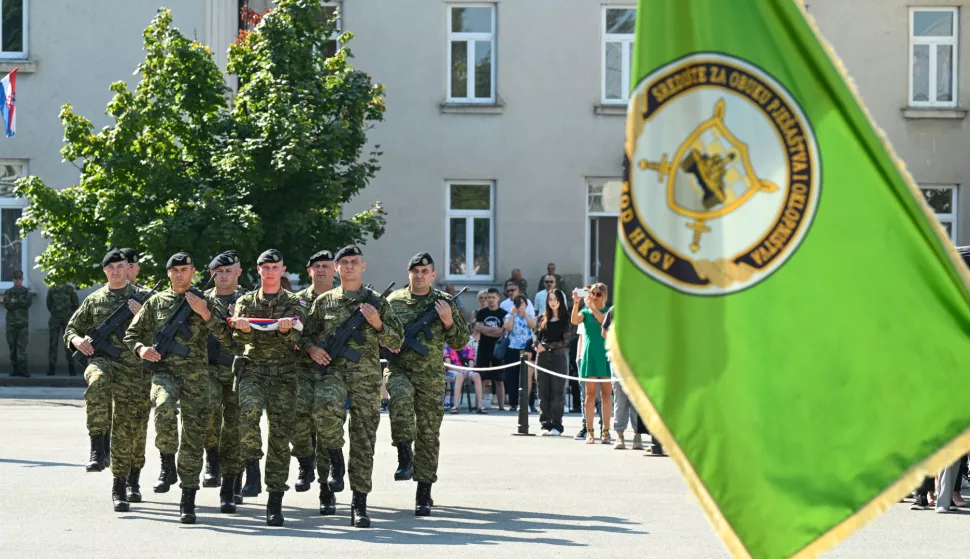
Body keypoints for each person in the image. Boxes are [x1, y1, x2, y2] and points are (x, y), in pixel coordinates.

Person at [301, 245, 403, 527]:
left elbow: (396, 341)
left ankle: (359, 504)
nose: (348, 267)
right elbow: (306, 336)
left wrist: (378, 323)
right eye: (343, 262)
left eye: (353, 262)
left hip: (366, 380)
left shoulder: (376, 302)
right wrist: (312, 350)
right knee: (323, 411)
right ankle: (335, 460)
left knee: (364, 441)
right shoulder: (324, 302)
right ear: (336, 268)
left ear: (363, 266)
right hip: (332, 374)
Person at [124, 251, 230, 524]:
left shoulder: (204, 300)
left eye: (185, 269)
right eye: (176, 270)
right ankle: (167, 463)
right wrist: (141, 349)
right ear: (168, 273)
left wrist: (204, 313)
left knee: (194, 436)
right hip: (164, 372)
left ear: (193, 271)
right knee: (163, 407)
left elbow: (228, 337)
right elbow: (132, 334)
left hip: (197, 376)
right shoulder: (156, 303)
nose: (180, 274)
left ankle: (188, 499)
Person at [385, 253, 469, 516]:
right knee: (399, 401)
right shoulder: (394, 301)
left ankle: (424, 492)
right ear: (408, 273)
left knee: (429, 435)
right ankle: (403, 455)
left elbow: (461, 341)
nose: (419, 275)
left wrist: (448, 321)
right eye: (415, 271)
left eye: (425, 271)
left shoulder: (443, 302)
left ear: (433, 274)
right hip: (400, 370)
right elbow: (377, 334)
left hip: (431, 377)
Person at [66, 249, 149, 511]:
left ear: (129, 269)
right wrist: (76, 340)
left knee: (130, 428)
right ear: (105, 271)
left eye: (120, 266)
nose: (116, 271)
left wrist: (142, 316)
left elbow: (164, 332)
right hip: (103, 361)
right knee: (97, 382)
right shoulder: (94, 300)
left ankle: (128, 480)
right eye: (110, 267)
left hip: (135, 369)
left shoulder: (144, 298)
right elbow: (71, 328)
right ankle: (98, 448)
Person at [231, 248, 307, 526]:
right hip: (253, 370)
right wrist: (243, 329)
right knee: (248, 411)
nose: (271, 271)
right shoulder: (246, 301)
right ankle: (251, 468)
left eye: (275, 267)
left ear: (283, 269)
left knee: (279, 437)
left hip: (284, 375)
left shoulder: (294, 302)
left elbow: (297, 337)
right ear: (259, 270)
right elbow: (236, 339)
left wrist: (286, 331)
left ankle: (275, 499)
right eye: (266, 267)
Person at [201, 251, 248, 510]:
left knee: (235, 429)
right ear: (213, 273)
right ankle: (212, 458)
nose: (224, 275)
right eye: (219, 271)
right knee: (207, 414)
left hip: (238, 371)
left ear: (238, 272)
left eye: (229, 271)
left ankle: (231, 485)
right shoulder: (200, 300)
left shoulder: (249, 300)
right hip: (207, 369)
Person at [290, 249, 336, 494]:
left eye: (326, 266)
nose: (321, 270)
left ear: (334, 269)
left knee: (327, 425)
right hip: (303, 370)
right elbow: (294, 335)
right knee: (297, 418)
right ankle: (305, 463)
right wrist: (309, 348)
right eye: (316, 266)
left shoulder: (343, 298)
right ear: (309, 271)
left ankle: (326, 488)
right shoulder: (297, 301)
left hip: (333, 372)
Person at [571, 284, 613, 445]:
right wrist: (576, 302)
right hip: (589, 355)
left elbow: (606, 324)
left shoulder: (609, 311)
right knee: (589, 395)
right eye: (592, 293)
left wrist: (594, 309)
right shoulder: (585, 312)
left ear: (604, 296)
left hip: (605, 354)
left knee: (607, 395)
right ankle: (589, 431)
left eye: (598, 294)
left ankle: (606, 431)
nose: (594, 297)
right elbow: (575, 320)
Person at [533, 289, 572, 436]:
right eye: (550, 299)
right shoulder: (542, 318)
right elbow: (535, 336)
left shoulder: (565, 319)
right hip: (541, 358)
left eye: (555, 299)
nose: (553, 302)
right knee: (542, 391)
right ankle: (545, 424)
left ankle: (557, 424)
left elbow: (565, 341)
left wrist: (546, 346)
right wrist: (536, 345)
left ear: (561, 301)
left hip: (558, 358)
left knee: (557, 392)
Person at [473, 288, 508, 410]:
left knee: (499, 379)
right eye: (489, 297)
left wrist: (486, 330)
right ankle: (480, 405)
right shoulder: (481, 313)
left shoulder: (503, 313)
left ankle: (502, 406)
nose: (491, 300)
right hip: (483, 348)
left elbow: (503, 331)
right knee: (481, 377)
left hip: (498, 349)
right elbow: (478, 327)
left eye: (493, 297)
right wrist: (494, 331)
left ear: (498, 298)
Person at [503, 294, 536, 412]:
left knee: (528, 376)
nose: (520, 305)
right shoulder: (509, 315)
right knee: (512, 377)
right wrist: (513, 314)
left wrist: (525, 313)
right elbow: (508, 328)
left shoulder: (530, 315)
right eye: (518, 303)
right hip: (513, 348)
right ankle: (513, 403)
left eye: (522, 303)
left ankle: (530, 403)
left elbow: (532, 325)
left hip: (527, 348)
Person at [47, 282, 79, 376]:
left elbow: (75, 304)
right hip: (55, 319)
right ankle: (51, 368)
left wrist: (68, 312)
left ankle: (71, 367)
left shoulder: (70, 290)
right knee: (53, 343)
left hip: (67, 319)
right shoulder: (52, 290)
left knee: (69, 343)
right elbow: (49, 304)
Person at [4, 270, 31, 377]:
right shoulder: (8, 292)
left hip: (22, 324)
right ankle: (15, 369)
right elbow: (7, 305)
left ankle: (23, 369)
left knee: (22, 347)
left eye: (19, 279)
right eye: (16, 279)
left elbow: (27, 303)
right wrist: (19, 303)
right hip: (11, 324)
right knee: (12, 347)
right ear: (13, 280)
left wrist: (15, 302)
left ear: (22, 279)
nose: (18, 281)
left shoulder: (26, 292)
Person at [448, 340, 485, 414]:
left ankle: (480, 407)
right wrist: (460, 370)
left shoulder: (469, 349)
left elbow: (471, 365)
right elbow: (448, 365)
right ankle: (455, 406)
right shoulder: (448, 348)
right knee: (459, 376)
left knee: (477, 375)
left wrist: (466, 371)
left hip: (466, 371)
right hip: (452, 371)